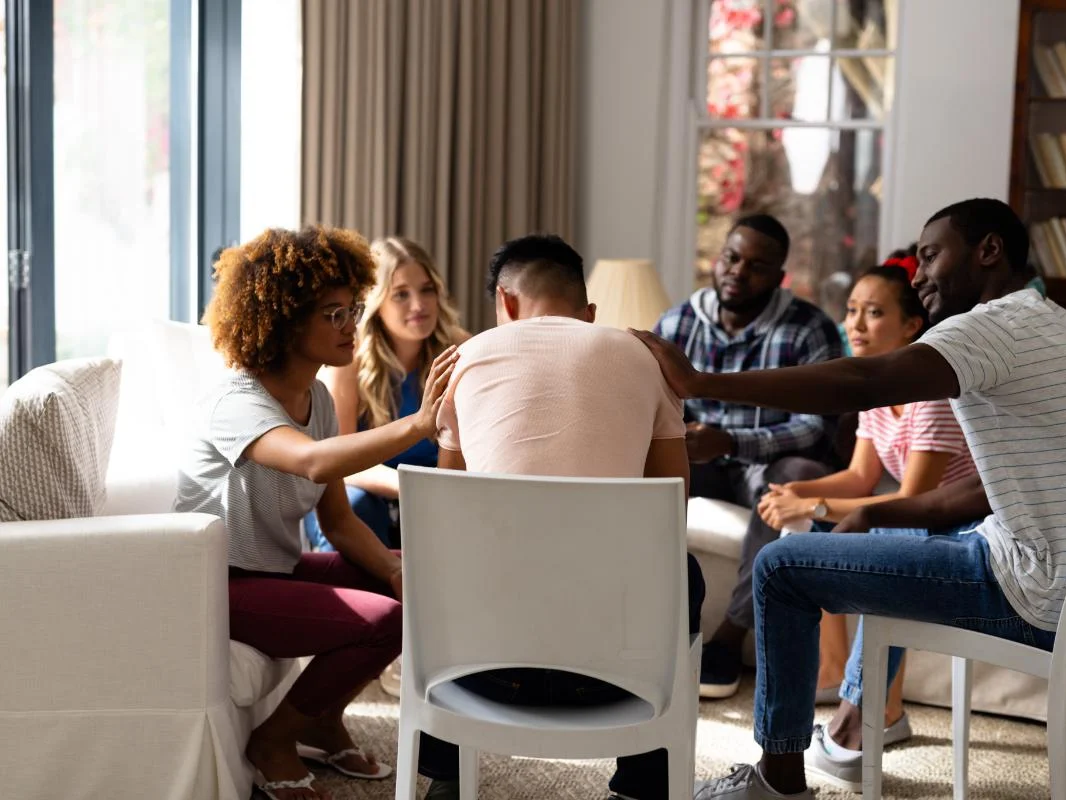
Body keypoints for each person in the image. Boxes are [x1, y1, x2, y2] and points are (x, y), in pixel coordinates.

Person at [631, 198, 1066, 799]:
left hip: (1042, 594)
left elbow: (863, 380)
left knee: (780, 569)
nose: (918, 274)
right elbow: (981, 490)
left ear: (988, 251)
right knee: (885, 544)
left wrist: (700, 382)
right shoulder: (1056, 323)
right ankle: (863, 715)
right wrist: (875, 511)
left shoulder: (991, 326)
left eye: (930, 256)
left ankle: (777, 784)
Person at [417, 233, 705, 800]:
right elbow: (674, 501)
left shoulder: (464, 361)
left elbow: (444, 512)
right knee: (681, 567)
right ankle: (641, 784)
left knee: (440, 561)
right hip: (613, 680)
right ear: (589, 313)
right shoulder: (646, 358)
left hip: (483, 673)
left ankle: (446, 772)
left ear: (506, 303)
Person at [174, 226, 458, 800]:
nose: (351, 324)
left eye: (351, 309)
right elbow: (308, 461)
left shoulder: (318, 398)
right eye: (332, 314)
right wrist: (418, 424)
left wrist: (394, 570)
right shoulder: (237, 402)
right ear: (282, 321)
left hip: (274, 570)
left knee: (421, 577)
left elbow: (338, 522)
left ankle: (322, 722)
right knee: (382, 622)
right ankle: (273, 741)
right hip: (217, 582)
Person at [755, 262, 978, 744]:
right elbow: (861, 477)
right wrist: (800, 495)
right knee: (803, 539)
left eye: (873, 313)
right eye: (852, 310)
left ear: (911, 325)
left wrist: (812, 507)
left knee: (882, 535)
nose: (854, 324)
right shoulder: (878, 392)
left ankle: (877, 710)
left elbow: (915, 502)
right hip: (914, 518)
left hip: (956, 527)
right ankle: (831, 673)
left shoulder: (931, 397)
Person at [653, 213, 843, 699]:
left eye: (756, 266)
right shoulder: (677, 322)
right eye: (732, 257)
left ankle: (727, 639)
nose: (738, 271)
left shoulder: (808, 329)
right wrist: (686, 439)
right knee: (645, 469)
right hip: (702, 458)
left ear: (779, 278)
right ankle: (652, 627)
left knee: (797, 479)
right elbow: (653, 403)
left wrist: (731, 441)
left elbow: (815, 423)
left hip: (772, 460)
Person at [305, 237, 469, 552]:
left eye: (427, 290)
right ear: (377, 302)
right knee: (358, 505)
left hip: (436, 496)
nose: (419, 305)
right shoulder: (348, 362)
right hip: (366, 491)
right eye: (401, 295)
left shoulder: (459, 348)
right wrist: (408, 488)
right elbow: (340, 460)